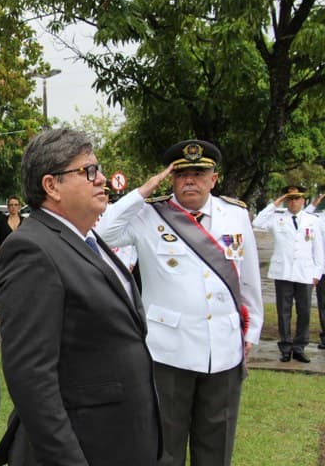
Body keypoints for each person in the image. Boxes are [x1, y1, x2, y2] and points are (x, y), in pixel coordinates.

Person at [0, 128, 160, 466]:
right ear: (51, 185)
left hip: (121, 438)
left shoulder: (86, 239)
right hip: (85, 446)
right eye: (88, 171)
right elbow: (32, 379)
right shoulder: (32, 250)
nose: (102, 180)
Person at [96, 139, 263, 466]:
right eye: (181, 173)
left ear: (213, 178)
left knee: (217, 444)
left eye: (200, 173)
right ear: (170, 178)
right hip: (168, 352)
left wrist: (251, 331)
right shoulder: (148, 216)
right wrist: (142, 191)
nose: (191, 180)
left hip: (225, 351)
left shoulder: (236, 215)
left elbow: (248, 281)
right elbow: (99, 231)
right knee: (165, 447)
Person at [253, 185, 323, 362]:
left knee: (304, 311)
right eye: (290, 198)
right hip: (283, 271)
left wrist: (318, 272)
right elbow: (257, 222)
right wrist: (275, 204)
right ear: (286, 200)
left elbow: (318, 249)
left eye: (297, 198)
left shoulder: (313, 220)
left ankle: (300, 347)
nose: (293, 202)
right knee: (283, 312)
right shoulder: (277, 218)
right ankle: (285, 347)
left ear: (303, 200)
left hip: (305, 272)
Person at [306, 193, 325, 349]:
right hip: (323, 269)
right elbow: (303, 216)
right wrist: (315, 203)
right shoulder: (319, 219)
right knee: (323, 304)